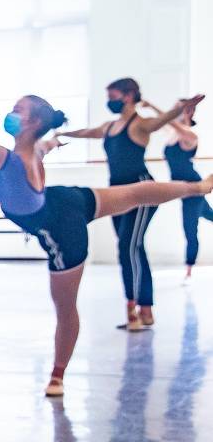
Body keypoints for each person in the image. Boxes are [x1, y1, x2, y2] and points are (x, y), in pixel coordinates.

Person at [0, 77, 210, 397]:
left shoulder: (16, 159)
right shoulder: (31, 151)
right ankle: (197, 188)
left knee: (66, 306)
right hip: (64, 201)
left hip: (63, 232)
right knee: (133, 193)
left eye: (18, 109)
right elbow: (43, 146)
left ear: (33, 122)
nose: (11, 113)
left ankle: (57, 376)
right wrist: (54, 142)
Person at [56, 78, 200, 330]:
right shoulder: (110, 126)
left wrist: (182, 108)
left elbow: (161, 121)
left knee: (127, 247)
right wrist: (61, 134)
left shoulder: (140, 124)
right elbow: (88, 132)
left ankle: (132, 311)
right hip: (117, 194)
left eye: (112, 95)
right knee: (134, 249)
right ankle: (146, 309)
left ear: (128, 95)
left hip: (142, 191)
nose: (109, 100)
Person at [147, 100, 213, 278]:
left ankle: (189, 271)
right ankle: (189, 269)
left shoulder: (190, 135)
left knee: (190, 228)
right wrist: (152, 107)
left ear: (190, 113)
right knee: (207, 214)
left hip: (192, 187)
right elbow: (164, 121)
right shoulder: (173, 135)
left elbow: (169, 122)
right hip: (182, 187)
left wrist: (154, 105)